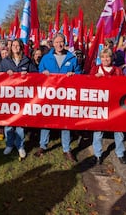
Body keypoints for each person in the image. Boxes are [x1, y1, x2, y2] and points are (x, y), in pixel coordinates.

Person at [34, 33, 81, 162]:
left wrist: (74, 74)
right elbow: (39, 73)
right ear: (52, 44)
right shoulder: (46, 58)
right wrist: (43, 73)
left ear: (64, 43)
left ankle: (66, 149)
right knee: (46, 120)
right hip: (50, 95)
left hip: (66, 95)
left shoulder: (72, 58)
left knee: (65, 122)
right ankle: (43, 146)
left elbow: (79, 72)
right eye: (56, 42)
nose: (59, 44)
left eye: (61, 42)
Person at [0, 39, 37, 159]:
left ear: (21, 47)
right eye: (14, 45)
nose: (16, 47)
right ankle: (9, 144)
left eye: (18, 46)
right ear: (11, 47)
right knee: (9, 122)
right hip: (9, 96)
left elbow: (36, 75)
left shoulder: (27, 61)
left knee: (20, 123)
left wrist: (28, 76)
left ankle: (20, 146)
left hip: (22, 97)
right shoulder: (5, 61)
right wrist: (5, 74)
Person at [89, 48, 126, 165]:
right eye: (103, 57)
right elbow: (88, 85)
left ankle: (120, 153)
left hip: (115, 105)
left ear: (112, 58)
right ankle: (97, 154)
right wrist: (94, 79)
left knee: (119, 130)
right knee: (98, 130)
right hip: (100, 104)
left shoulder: (117, 70)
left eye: (108, 56)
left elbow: (123, 86)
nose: (105, 59)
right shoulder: (95, 69)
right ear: (100, 58)